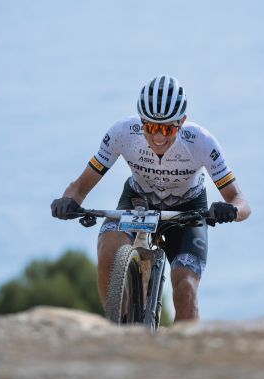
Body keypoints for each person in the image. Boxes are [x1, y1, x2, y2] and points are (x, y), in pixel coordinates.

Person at [51, 75, 251, 321]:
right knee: (107, 250)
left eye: (167, 128)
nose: (158, 137)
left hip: (188, 212)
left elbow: (241, 201)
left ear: (182, 122)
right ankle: (118, 324)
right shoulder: (123, 133)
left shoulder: (201, 142)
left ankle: (182, 355)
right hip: (138, 202)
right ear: (141, 123)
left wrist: (229, 209)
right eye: (151, 128)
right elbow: (79, 187)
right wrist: (68, 202)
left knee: (185, 288)